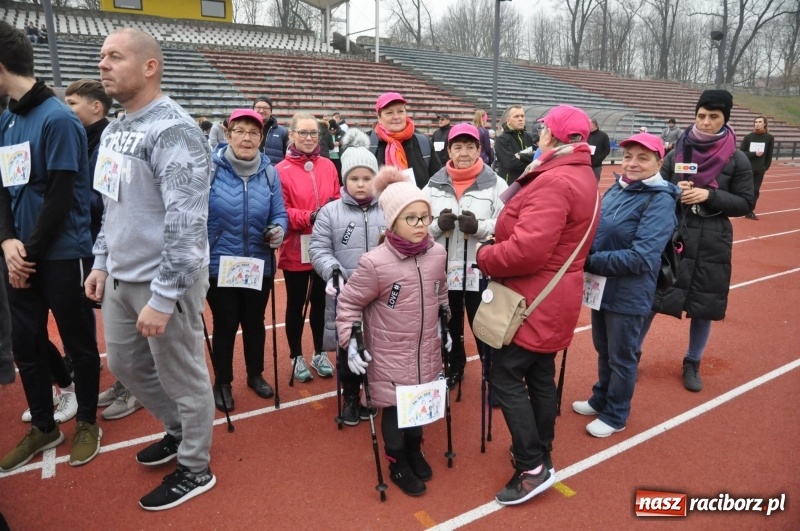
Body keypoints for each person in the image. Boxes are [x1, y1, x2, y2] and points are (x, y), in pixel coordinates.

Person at [85, 28, 216, 510]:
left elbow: (187, 224)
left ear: (149, 66)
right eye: (101, 56)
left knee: (183, 376)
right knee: (124, 364)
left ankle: (195, 466)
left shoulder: (174, 128)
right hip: (120, 275)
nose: (103, 65)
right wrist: (102, 260)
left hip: (165, 281)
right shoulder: (118, 127)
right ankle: (180, 431)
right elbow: (111, 203)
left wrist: (164, 297)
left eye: (114, 57)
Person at [476, 104, 599, 505]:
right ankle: (541, 449)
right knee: (541, 374)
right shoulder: (582, 174)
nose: (538, 133)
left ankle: (531, 466)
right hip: (555, 294)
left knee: (508, 375)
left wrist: (485, 256)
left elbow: (527, 251)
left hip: (532, 295)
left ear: (552, 136)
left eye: (543, 128)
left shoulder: (554, 180)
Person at [0, 22, 101, 472]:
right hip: (21, 255)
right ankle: (44, 425)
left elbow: (62, 196)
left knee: (79, 343)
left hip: (61, 254)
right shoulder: (7, 119)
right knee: (27, 344)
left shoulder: (59, 118)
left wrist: (27, 254)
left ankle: (87, 422)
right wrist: (7, 243)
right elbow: (3, 189)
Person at [335, 166, 449, 497]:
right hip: (388, 351)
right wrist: (351, 343)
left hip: (426, 348)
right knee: (396, 409)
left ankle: (415, 449)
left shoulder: (437, 254)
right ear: (392, 222)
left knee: (419, 407)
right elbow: (348, 304)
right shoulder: (375, 263)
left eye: (425, 218)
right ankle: (397, 460)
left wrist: (446, 324)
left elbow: (441, 293)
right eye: (411, 219)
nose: (420, 226)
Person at [639, 90, 754, 393]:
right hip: (675, 232)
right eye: (701, 115)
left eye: (714, 117)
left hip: (713, 241)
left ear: (725, 119)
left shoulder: (737, 157)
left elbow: (746, 202)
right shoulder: (678, 149)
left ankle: (692, 362)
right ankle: (632, 353)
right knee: (652, 296)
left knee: (704, 304)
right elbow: (658, 185)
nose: (705, 122)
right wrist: (674, 191)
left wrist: (709, 194)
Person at [574, 133, 680, 437]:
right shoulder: (617, 188)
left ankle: (616, 413)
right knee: (603, 347)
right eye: (628, 156)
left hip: (630, 292)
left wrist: (589, 260)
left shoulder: (659, 200)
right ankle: (600, 397)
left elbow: (642, 257)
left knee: (623, 355)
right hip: (601, 285)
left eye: (643, 158)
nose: (633, 163)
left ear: (659, 162)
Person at [65, 79, 143, 421]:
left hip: (115, 242)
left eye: (73, 104)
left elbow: (107, 197)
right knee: (114, 321)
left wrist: (68, 202)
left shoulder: (109, 143)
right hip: (96, 243)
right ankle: (126, 380)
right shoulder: (81, 140)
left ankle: (135, 387)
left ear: (97, 107)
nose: (67, 110)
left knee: (131, 320)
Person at [206, 109, 288, 412]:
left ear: (261, 137)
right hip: (219, 263)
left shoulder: (269, 172)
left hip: (257, 262)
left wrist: (278, 230)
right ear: (228, 134)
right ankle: (223, 381)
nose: (247, 137)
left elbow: (279, 213)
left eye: (254, 132)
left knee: (255, 323)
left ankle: (255, 374)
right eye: (240, 131)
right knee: (225, 323)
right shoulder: (210, 169)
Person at [423, 123, 507, 386]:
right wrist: (437, 225)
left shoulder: (496, 184)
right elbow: (414, 226)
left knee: (483, 324)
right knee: (450, 323)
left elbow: (508, 224)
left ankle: (493, 372)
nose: (464, 153)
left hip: (480, 270)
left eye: (470, 147)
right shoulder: (432, 185)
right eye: (457, 147)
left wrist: (480, 228)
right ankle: (454, 366)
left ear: (480, 150)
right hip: (445, 271)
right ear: (449, 150)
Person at [309, 128, 383, 425]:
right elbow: (319, 249)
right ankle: (351, 396)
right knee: (348, 346)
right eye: (354, 178)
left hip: (380, 296)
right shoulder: (330, 212)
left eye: (367, 178)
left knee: (377, 344)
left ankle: (372, 392)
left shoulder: (389, 210)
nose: (361, 184)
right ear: (344, 179)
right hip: (347, 294)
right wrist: (332, 270)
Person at [276, 112, 341, 383]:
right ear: (291, 135)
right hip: (296, 247)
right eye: (302, 133)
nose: (308, 138)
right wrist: (310, 217)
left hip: (324, 248)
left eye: (313, 133)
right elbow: (282, 211)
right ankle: (295, 356)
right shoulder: (280, 170)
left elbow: (338, 198)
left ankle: (318, 352)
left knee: (319, 304)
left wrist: (330, 215)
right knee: (295, 304)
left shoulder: (328, 165)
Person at [369, 92, 442, 189]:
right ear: (379, 118)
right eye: (389, 113)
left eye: (400, 111)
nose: (396, 117)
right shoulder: (368, 144)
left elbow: (437, 182)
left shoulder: (423, 143)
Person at [740, 116, 774, 220]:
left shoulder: (769, 138)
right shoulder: (748, 137)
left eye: (759, 122)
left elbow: (769, 154)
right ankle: (742, 207)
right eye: (755, 122)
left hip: (759, 170)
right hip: (747, 169)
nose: (757, 124)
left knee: (755, 191)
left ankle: (749, 211)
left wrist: (765, 168)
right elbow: (741, 153)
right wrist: (754, 153)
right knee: (745, 190)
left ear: (764, 124)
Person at [494, 105, 535, 184]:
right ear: (508, 120)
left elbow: (537, 156)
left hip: (526, 183)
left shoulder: (528, 137)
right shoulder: (502, 139)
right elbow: (510, 164)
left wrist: (521, 156)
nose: (520, 119)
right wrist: (531, 164)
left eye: (522, 116)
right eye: (516, 116)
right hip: (509, 185)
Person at [253, 96, 288, 165]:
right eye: (258, 107)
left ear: (271, 111)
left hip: (274, 173)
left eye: (265, 108)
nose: (261, 111)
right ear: (253, 109)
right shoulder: (246, 130)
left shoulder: (283, 132)